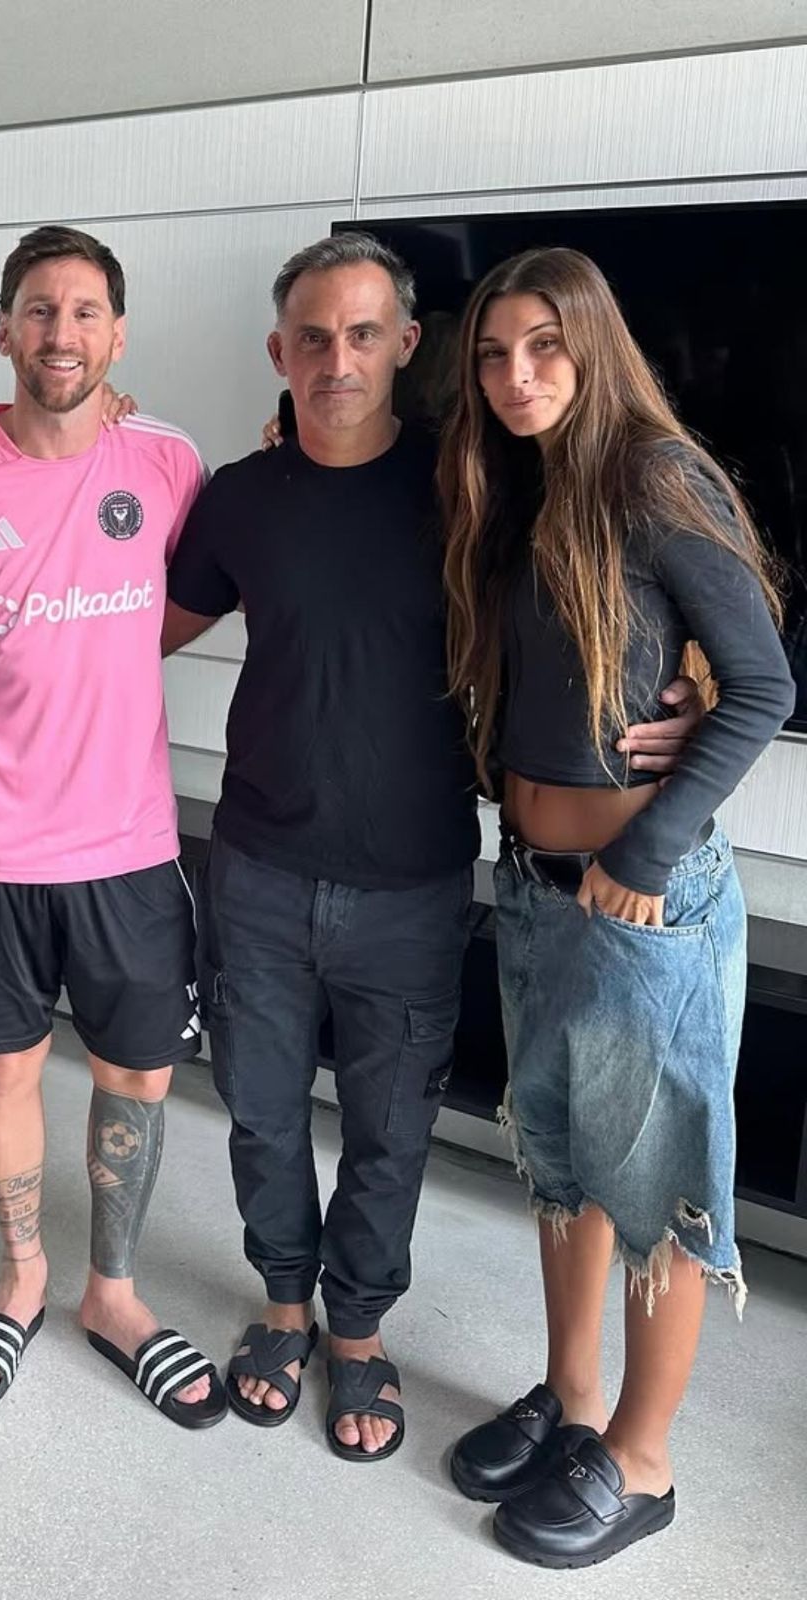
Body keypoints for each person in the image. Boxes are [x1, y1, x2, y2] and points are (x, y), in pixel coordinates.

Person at [162, 233, 702, 1459]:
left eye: (363, 334)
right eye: (312, 337)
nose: (336, 360)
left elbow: (613, 588)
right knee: (258, 1112)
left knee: (389, 1130)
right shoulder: (238, 498)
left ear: (406, 345)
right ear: (278, 352)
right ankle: (282, 1309)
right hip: (254, 867)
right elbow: (126, 626)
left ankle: (357, 1333)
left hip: (412, 876)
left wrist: (697, 691)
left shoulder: (474, 488)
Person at [438, 247, 792, 1567]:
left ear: (593, 347)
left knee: (655, 1188)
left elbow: (761, 686)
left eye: (545, 346)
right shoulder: (514, 482)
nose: (516, 374)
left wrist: (645, 854)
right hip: (534, 886)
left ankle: (642, 1462)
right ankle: (574, 1402)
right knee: (565, 1167)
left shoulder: (655, 475)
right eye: (493, 353)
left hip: (643, 903)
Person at [0, 225, 226, 1429]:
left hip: (130, 843)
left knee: (135, 1071)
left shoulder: (167, 460)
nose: (62, 333)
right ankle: (23, 1275)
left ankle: (113, 1291)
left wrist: (119, 650)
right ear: (3, 329)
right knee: (6, 1067)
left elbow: (198, 588)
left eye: (86, 311)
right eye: (39, 310)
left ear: (117, 336)